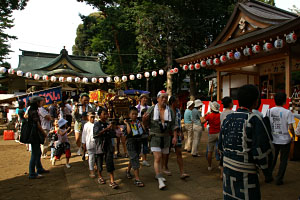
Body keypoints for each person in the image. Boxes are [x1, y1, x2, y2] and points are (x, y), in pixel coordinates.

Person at [219, 84, 274, 200]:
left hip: (228, 170)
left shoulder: (228, 118)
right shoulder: (253, 119)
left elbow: (221, 145)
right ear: (256, 102)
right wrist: (267, 172)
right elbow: (262, 149)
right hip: (246, 174)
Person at [142, 90, 175, 190]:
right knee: (158, 157)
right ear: (158, 99)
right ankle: (160, 179)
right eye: (162, 97)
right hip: (155, 136)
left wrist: (175, 136)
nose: (164, 99)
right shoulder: (151, 109)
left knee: (164, 158)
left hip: (166, 137)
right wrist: (144, 119)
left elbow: (173, 125)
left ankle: (159, 173)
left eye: (166, 97)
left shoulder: (170, 111)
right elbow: (145, 124)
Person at [266, 92, 295, 185]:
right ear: (284, 101)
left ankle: (268, 176)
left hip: (273, 138)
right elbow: (290, 127)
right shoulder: (287, 112)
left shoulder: (269, 111)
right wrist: (293, 136)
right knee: (283, 160)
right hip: (284, 139)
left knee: (272, 159)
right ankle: (279, 178)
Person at [163, 96, 189, 179]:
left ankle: (182, 172)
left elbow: (178, 123)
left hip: (177, 134)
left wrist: (180, 132)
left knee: (179, 152)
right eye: (177, 102)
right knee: (167, 153)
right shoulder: (167, 111)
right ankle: (165, 167)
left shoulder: (178, 111)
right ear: (172, 102)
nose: (179, 103)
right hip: (168, 135)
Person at [93, 107, 118, 189]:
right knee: (99, 162)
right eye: (104, 114)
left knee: (110, 162)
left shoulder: (108, 124)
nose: (106, 115)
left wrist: (114, 130)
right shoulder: (97, 124)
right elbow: (96, 133)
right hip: (100, 145)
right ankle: (100, 176)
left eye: (107, 114)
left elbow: (113, 135)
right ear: (100, 115)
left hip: (108, 145)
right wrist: (106, 129)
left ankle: (112, 180)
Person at [27, 96, 49, 179]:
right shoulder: (34, 112)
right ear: (37, 103)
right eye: (41, 101)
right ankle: (32, 173)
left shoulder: (32, 110)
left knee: (38, 152)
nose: (42, 102)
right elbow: (38, 124)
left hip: (34, 134)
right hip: (34, 134)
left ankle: (39, 168)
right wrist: (44, 133)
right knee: (35, 153)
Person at [124, 107, 145, 187]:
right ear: (129, 115)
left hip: (138, 142)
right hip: (130, 143)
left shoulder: (138, 122)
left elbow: (143, 130)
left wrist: (142, 123)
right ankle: (137, 179)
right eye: (133, 114)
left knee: (133, 158)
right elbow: (129, 132)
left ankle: (128, 171)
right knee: (135, 159)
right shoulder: (127, 123)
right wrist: (127, 124)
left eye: (136, 114)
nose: (134, 116)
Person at [201, 101, 221, 171]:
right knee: (220, 150)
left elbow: (202, 122)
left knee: (210, 151)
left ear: (212, 109)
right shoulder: (220, 115)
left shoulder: (209, 115)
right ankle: (220, 165)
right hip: (219, 133)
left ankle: (209, 166)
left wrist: (205, 115)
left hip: (212, 133)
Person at [136, 94, 150, 167]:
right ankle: (138, 157)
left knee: (145, 144)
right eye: (143, 98)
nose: (145, 100)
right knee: (138, 144)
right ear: (140, 99)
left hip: (146, 128)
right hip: (138, 128)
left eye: (146, 98)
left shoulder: (149, 108)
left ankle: (144, 159)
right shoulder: (136, 108)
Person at [82, 112, 96, 178]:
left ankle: (95, 165)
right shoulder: (86, 125)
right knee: (91, 157)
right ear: (88, 117)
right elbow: (84, 135)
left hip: (96, 143)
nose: (93, 119)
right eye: (91, 117)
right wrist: (83, 143)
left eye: (94, 117)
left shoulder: (96, 123)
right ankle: (91, 171)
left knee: (96, 156)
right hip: (89, 143)